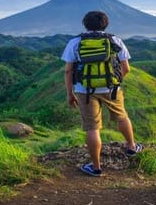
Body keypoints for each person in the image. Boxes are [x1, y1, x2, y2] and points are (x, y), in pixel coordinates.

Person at [61, 10, 142, 177]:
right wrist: (113, 82)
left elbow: (68, 71)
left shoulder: (75, 42)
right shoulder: (114, 40)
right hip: (112, 89)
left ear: (85, 24)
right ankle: (132, 147)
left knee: (92, 128)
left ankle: (96, 167)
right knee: (122, 116)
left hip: (85, 91)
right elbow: (126, 68)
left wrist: (70, 94)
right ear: (106, 24)